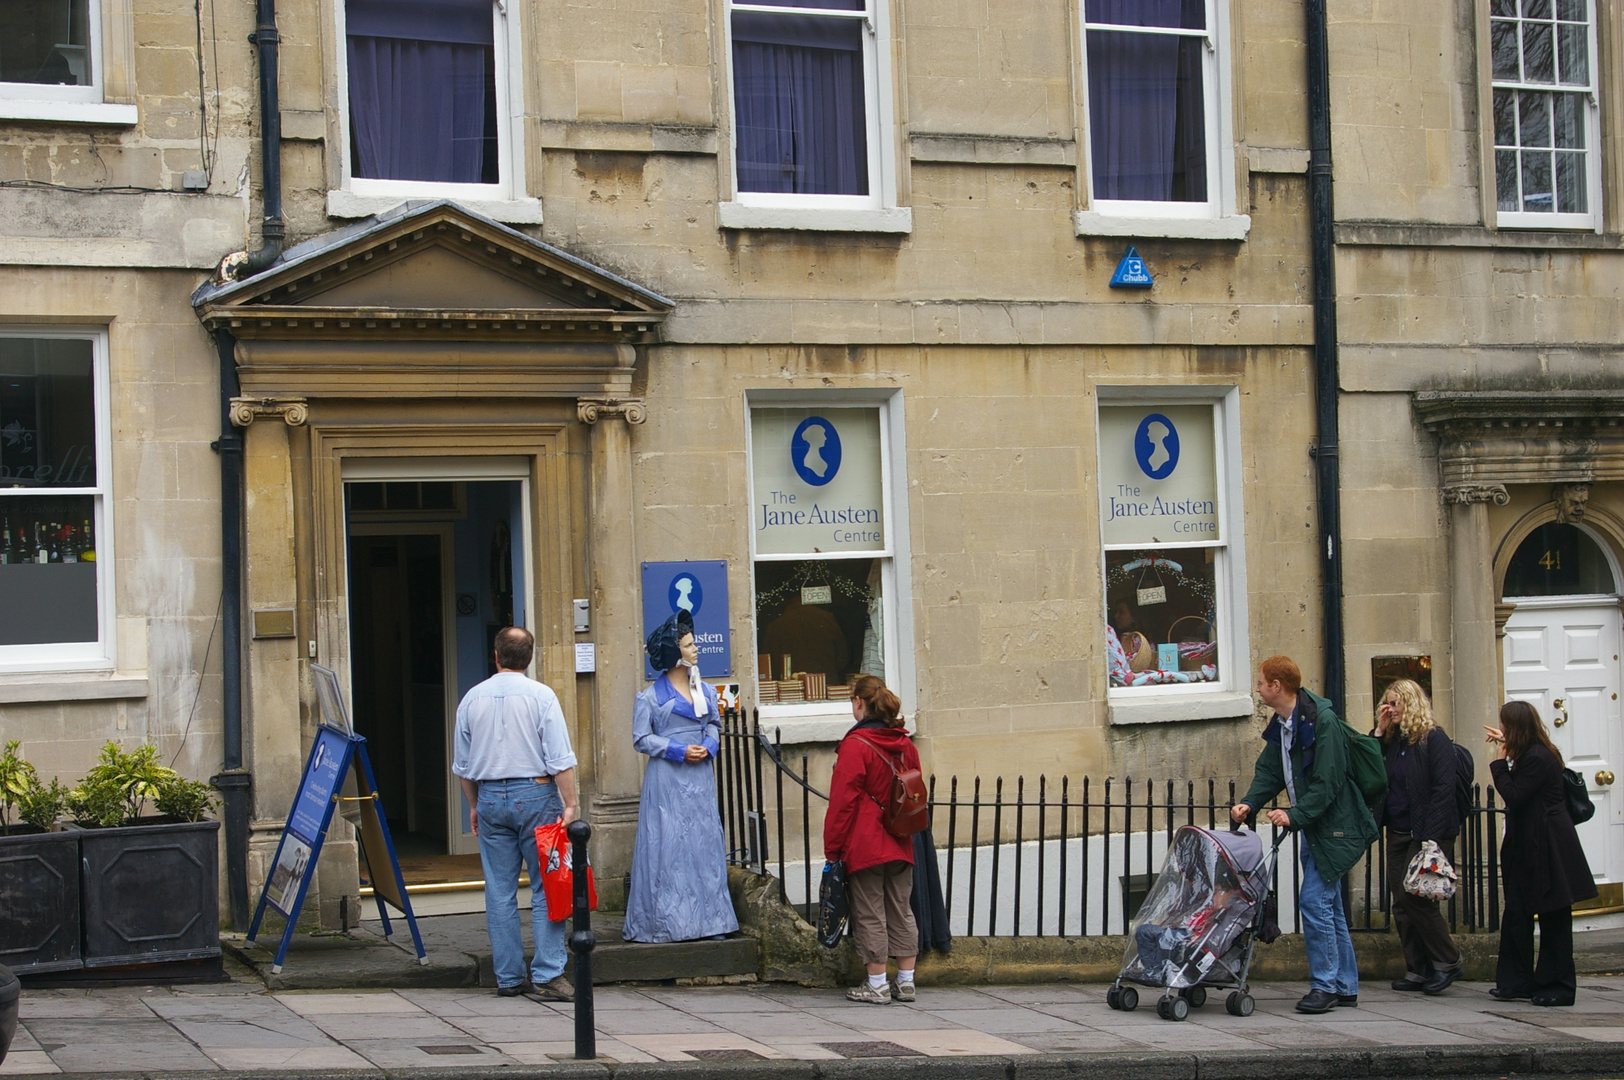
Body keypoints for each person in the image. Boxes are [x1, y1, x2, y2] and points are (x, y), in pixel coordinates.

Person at [1231, 655, 1377, 1014]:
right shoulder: (1284, 724)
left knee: (1314, 902)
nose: (1258, 688)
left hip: (1337, 829)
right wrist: (1249, 804)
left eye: (1262, 682)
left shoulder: (1321, 721)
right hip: (1316, 829)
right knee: (1330, 908)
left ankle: (1325, 986)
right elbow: (1270, 771)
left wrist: (1294, 815)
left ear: (1277, 687)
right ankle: (1345, 985)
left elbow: (1328, 782)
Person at [451, 626, 578, 1000]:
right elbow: (559, 759)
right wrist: (569, 803)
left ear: (496, 656)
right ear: (530, 657)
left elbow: (462, 765)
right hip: (536, 795)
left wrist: (474, 805)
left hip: (490, 796)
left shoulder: (472, 698)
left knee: (500, 890)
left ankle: (508, 977)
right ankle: (548, 973)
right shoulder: (542, 696)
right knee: (545, 886)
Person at [622, 611, 739, 943]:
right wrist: (677, 749)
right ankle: (666, 924)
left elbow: (716, 725)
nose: (696, 648)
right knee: (669, 847)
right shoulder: (649, 698)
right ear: (674, 652)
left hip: (700, 778)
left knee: (704, 845)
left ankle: (712, 922)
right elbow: (641, 738)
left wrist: (709, 745)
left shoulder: (703, 690)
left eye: (694, 642)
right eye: (689, 644)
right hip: (668, 781)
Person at [1485, 700, 1597, 1006]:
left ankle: (1557, 986)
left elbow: (1515, 795)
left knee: (1553, 916)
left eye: (1505, 724)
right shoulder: (1530, 752)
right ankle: (1516, 982)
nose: (1502, 729)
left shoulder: (1538, 756)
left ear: (1516, 727)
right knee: (1517, 913)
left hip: (1547, 847)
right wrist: (1508, 748)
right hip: (1527, 845)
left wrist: (1499, 761)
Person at [824, 675, 920, 1004]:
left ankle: (877, 983)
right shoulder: (905, 743)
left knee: (869, 911)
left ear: (858, 703)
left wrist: (832, 849)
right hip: (902, 838)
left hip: (865, 842)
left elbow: (842, 803)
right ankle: (906, 981)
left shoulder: (855, 745)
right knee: (901, 908)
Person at [1373, 679, 1463, 994]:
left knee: (1418, 900)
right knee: (1401, 902)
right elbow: (1371, 769)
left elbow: (1443, 789)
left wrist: (1432, 838)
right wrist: (1380, 732)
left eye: (1395, 703)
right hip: (1397, 830)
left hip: (1427, 833)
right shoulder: (1395, 741)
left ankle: (1447, 961)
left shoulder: (1433, 739)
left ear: (1411, 704)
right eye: (1386, 703)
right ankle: (1419, 969)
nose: (1389, 709)